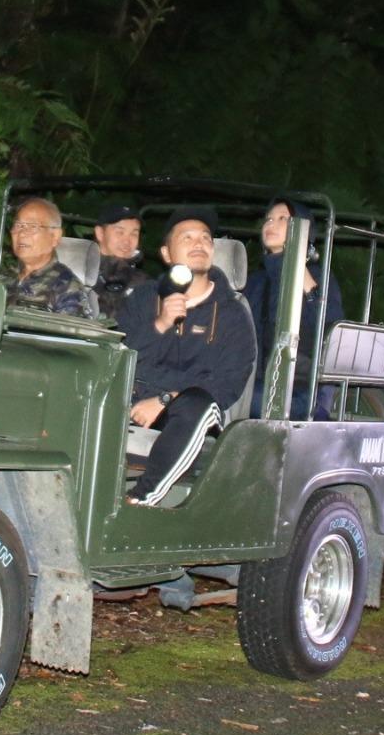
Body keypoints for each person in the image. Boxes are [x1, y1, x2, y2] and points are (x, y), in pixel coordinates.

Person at [117, 207, 256, 505]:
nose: (199, 244)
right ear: (167, 254)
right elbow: (120, 356)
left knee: (199, 404)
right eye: (188, 237)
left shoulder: (233, 314)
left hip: (189, 414)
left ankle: (141, 499)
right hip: (133, 400)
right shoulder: (143, 299)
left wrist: (166, 399)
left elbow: (228, 383)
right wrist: (161, 324)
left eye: (206, 238)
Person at [244, 198, 345, 420]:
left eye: (283, 219)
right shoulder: (256, 281)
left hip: (301, 389)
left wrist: (302, 273)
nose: (272, 224)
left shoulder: (318, 277)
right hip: (258, 381)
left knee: (240, 398)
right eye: (269, 219)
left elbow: (331, 330)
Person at [0, 196, 100, 319]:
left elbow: (70, 336)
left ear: (55, 237)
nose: (22, 233)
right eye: (18, 225)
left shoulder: (66, 287)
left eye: (32, 227)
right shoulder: (1, 279)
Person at [89, 203, 145, 322]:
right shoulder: (80, 270)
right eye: (120, 232)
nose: (127, 240)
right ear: (100, 233)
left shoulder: (144, 284)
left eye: (134, 234)